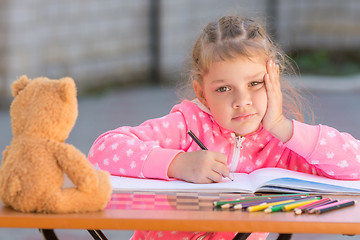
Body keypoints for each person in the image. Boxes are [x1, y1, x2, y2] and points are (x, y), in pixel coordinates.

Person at [88, 16, 360, 240]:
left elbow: (354, 164)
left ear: (273, 80)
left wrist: (283, 128)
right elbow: (103, 150)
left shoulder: (280, 145)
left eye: (255, 84)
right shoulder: (186, 125)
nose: (242, 102)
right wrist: (177, 163)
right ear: (202, 92)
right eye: (224, 88)